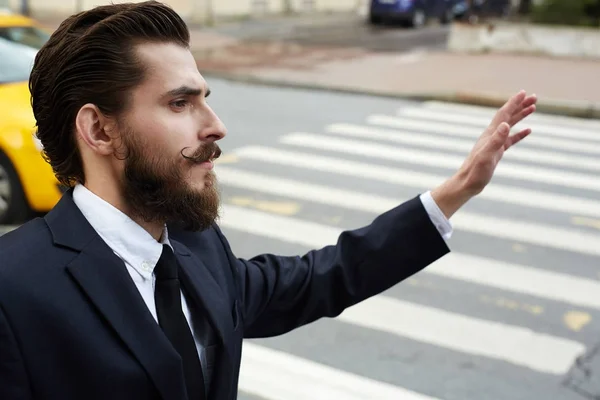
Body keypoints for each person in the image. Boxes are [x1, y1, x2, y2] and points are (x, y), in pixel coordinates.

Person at [0, 1, 537, 399]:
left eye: (205, 99)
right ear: (99, 130)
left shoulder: (196, 246)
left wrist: (454, 193)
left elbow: (317, 280)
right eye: (180, 103)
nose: (216, 126)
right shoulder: (14, 290)